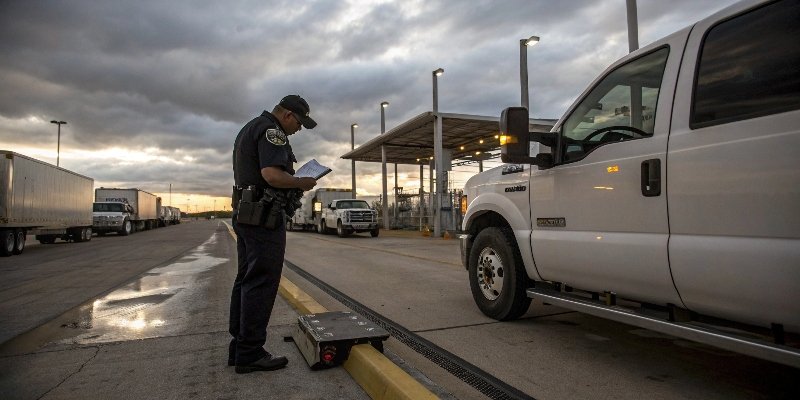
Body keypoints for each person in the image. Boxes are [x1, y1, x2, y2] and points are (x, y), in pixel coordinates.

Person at [229, 95, 318, 374]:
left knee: (246, 280)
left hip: (247, 213)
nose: (299, 130)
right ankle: (251, 352)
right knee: (261, 283)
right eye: (300, 123)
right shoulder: (272, 131)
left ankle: (240, 348)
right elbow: (272, 175)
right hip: (264, 218)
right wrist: (301, 182)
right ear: (288, 115)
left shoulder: (251, 127)